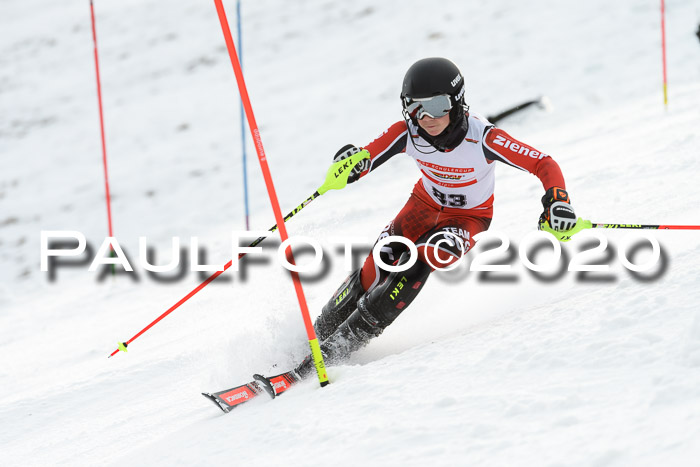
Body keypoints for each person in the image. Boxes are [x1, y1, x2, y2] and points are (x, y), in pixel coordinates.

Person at [293, 57, 577, 379]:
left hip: (467, 218)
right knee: (378, 263)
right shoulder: (409, 132)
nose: (426, 118)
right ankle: (317, 335)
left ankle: (339, 347)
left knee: (424, 256)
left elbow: (544, 163)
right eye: (415, 107)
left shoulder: (483, 138)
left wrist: (557, 201)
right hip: (422, 205)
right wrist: (351, 163)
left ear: (456, 102)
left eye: (438, 106)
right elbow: (367, 156)